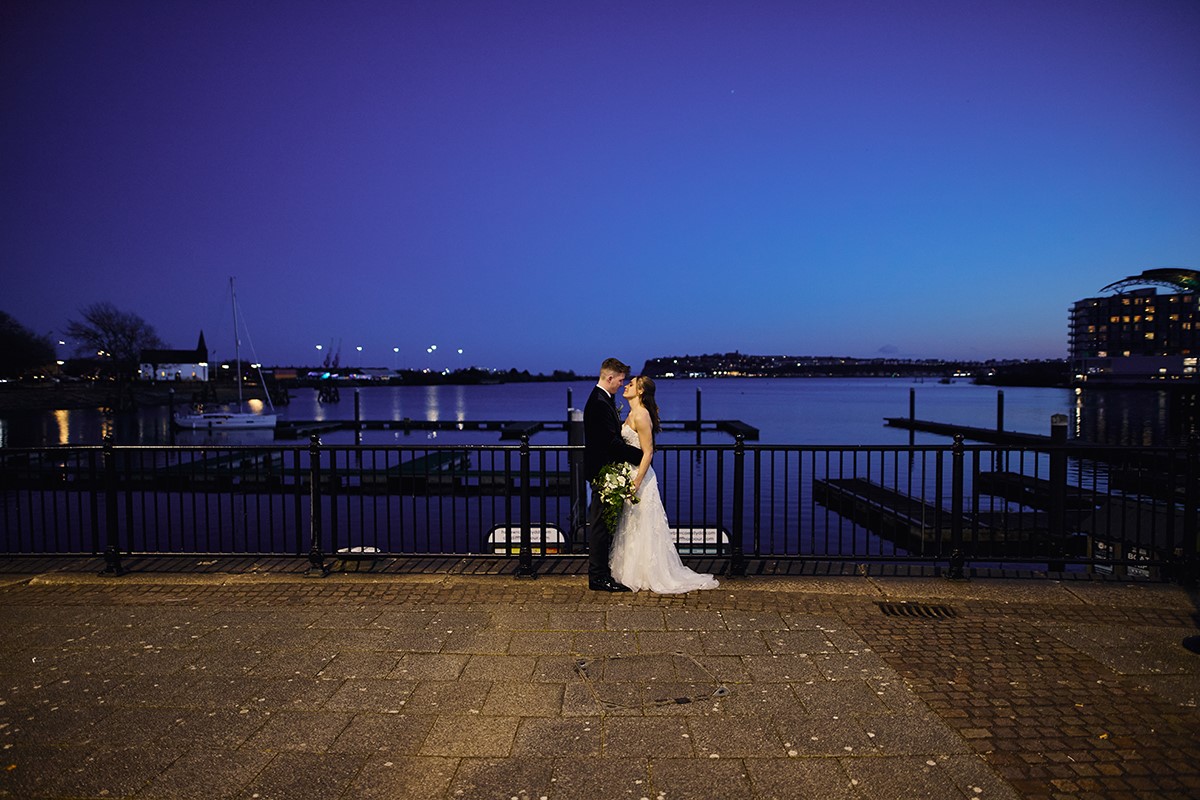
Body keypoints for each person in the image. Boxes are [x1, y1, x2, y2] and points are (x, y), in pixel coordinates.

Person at [610, 375, 719, 594]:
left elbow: (648, 452)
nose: (626, 386)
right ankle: (631, 571)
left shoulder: (641, 415)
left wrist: (636, 481)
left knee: (644, 525)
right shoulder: (631, 413)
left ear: (640, 391)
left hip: (640, 477)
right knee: (632, 524)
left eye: (631, 384)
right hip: (629, 472)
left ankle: (647, 573)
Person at [584, 358, 643, 592]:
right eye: (619, 380)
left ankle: (601, 573)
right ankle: (598, 577)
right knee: (600, 527)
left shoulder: (602, 399)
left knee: (605, 525)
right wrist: (641, 456)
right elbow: (610, 443)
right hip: (603, 471)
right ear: (609, 378)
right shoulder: (598, 403)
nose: (621, 384)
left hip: (605, 470)